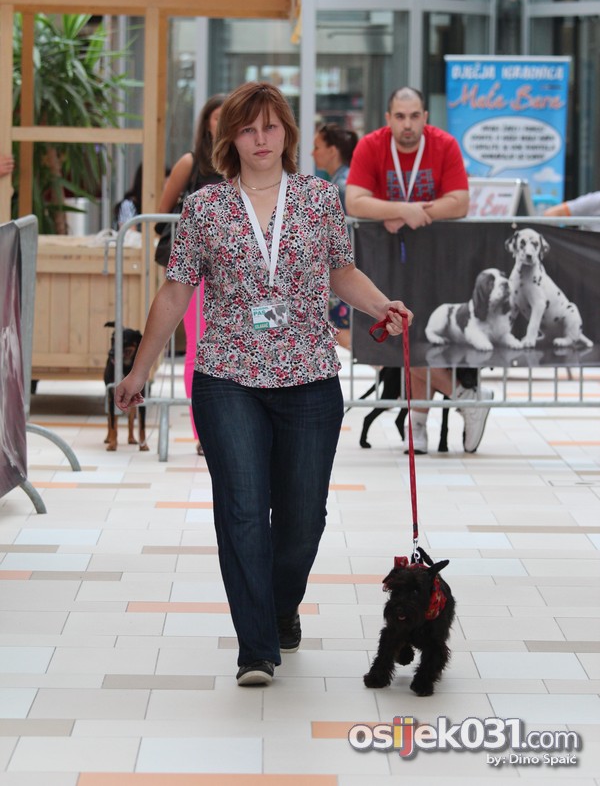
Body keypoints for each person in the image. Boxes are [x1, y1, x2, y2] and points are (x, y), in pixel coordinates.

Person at [115, 81, 413, 687]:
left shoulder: (319, 198)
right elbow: (176, 290)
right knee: (244, 510)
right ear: (231, 138)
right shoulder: (205, 207)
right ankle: (255, 647)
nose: (260, 139)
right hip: (228, 377)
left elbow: (341, 271)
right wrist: (140, 368)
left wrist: (382, 305)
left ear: (287, 134)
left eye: (270, 127)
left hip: (308, 375)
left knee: (303, 519)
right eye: (248, 129)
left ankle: (280, 607)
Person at [345, 85, 493, 455]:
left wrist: (410, 213)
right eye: (400, 116)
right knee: (400, 337)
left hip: (438, 262)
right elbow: (355, 201)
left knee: (422, 340)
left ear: (425, 118)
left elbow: (460, 202)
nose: (407, 124)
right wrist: (401, 209)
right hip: (386, 261)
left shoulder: (444, 144)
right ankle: (463, 400)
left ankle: (421, 424)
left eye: (414, 116)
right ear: (388, 119)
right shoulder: (372, 145)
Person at [157, 94, 226, 454]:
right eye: (217, 117)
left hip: (238, 271)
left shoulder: (246, 162)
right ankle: (203, 434)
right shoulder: (191, 163)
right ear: (206, 123)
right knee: (198, 348)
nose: (223, 123)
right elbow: (162, 214)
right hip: (196, 269)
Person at [312, 123, 359, 351]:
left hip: (345, 268)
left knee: (343, 329)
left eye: (317, 147)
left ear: (332, 151)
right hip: (345, 267)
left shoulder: (340, 186)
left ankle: (385, 367)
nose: (312, 153)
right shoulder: (342, 182)